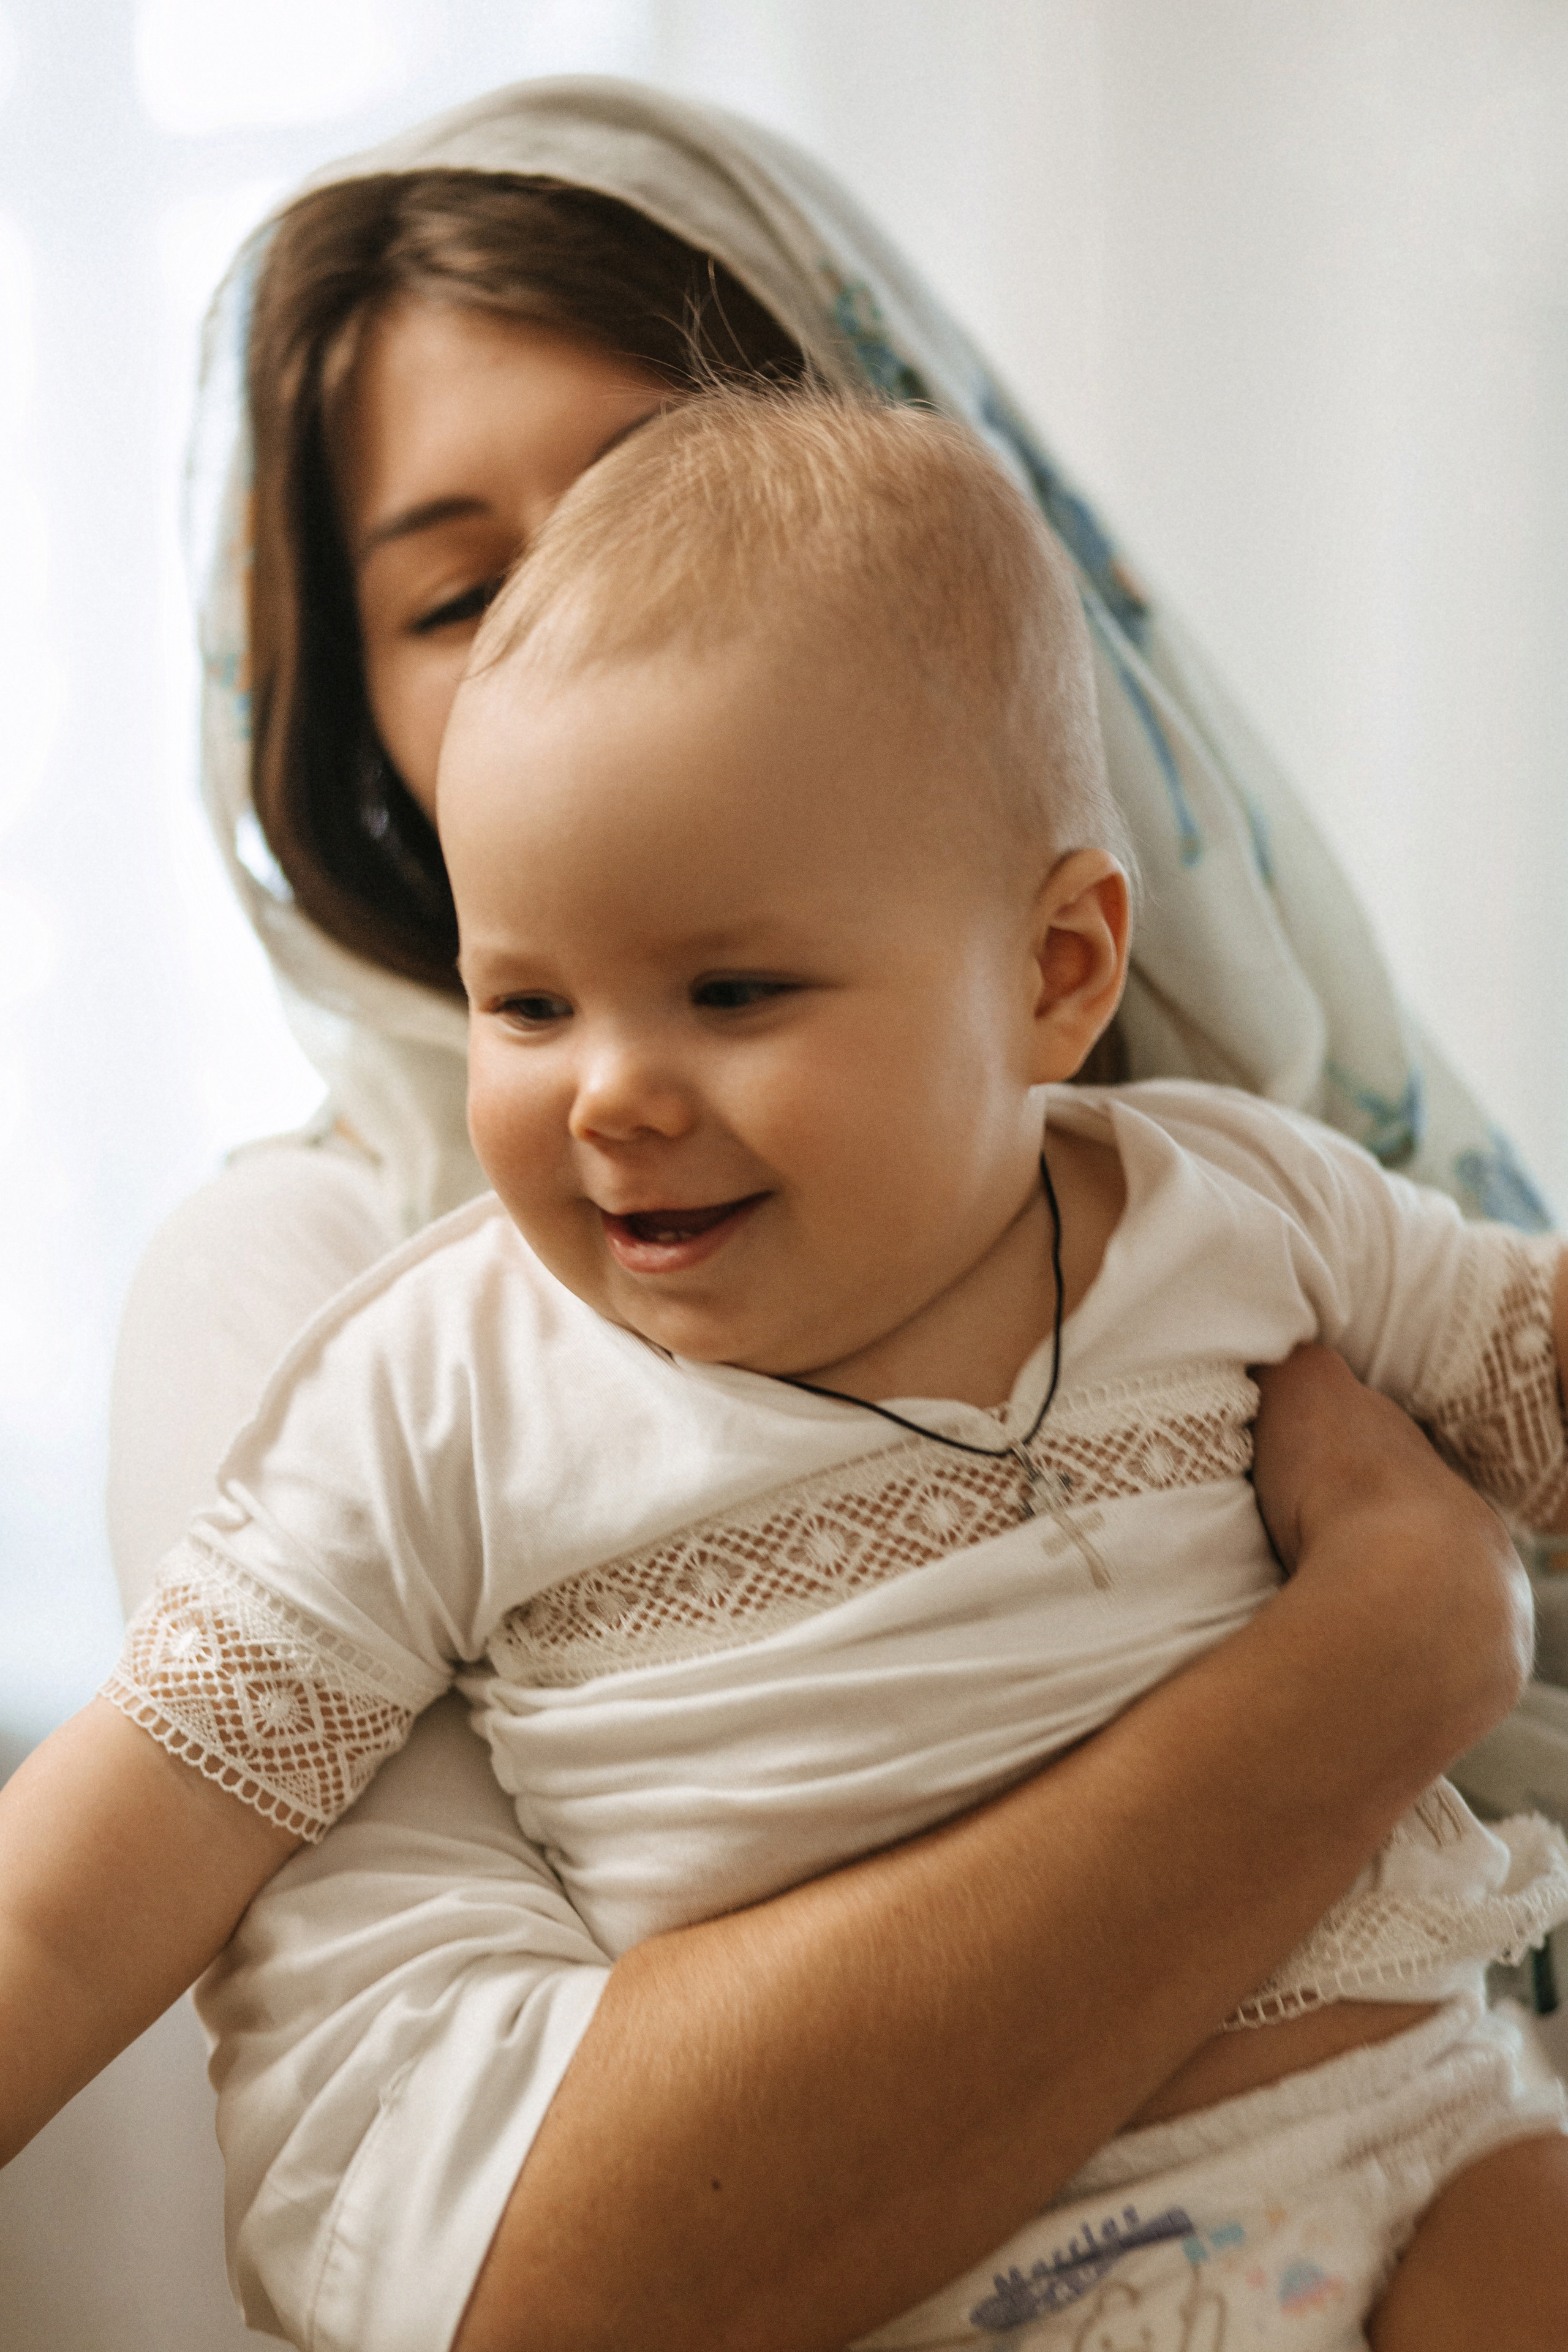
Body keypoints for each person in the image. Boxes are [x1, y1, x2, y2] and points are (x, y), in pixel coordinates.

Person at [99, 78, 1555, 2352]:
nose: (596, 642)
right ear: (349, 713)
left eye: (676, 508)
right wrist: (1384, 1660)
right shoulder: (346, 1327)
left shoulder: (1233, 1186)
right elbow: (494, 2261)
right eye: (468, 597)